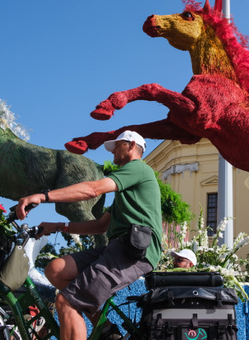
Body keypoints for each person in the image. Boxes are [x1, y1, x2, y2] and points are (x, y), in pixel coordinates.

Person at [16, 130, 163, 340]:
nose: (112, 153)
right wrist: (58, 226)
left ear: (131, 146)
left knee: (66, 302)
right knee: (56, 269)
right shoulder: (128, 190)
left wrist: (42, 196)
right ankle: (104, 329)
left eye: (117, 146)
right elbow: (101, 225)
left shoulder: (137, 168)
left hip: (135, 252)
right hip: (119, 248)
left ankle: (93, 319)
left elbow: (93, 189)